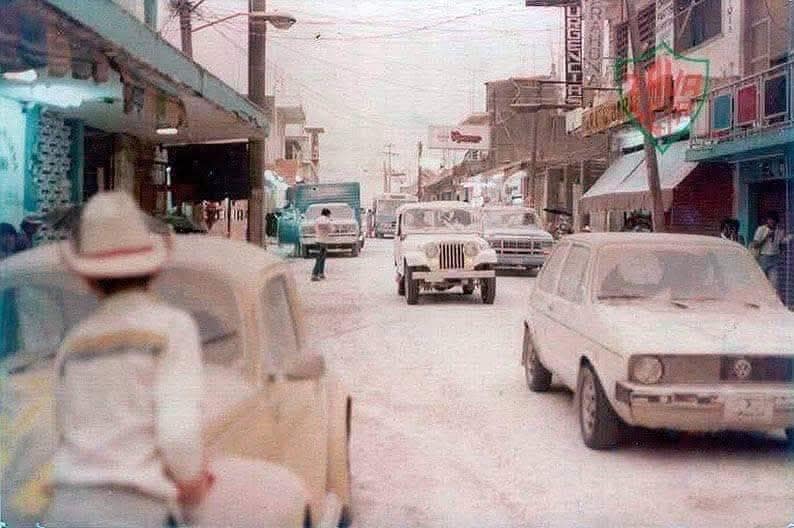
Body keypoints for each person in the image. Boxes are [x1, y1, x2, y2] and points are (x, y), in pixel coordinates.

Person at [47, 192, 212, 527]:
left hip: (65, 508)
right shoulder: (171, 328)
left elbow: (59, 429)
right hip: (137, 510)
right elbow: (178, 433)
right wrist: (193, 487)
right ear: (155, 268)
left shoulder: (75, 341)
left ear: (87, 278)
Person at [752, 211, 790, 293]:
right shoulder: (761, 229)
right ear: (767, 220)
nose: (771, 222)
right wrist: (766, 237)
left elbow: (781, 245)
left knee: (774, 284)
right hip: (763, 258)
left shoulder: (780, 231)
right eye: (770, 220)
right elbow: (755, 245)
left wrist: (784, 244)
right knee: (760, 282)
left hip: (774, 259)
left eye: (773, 220)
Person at [312, 207, 332, 281]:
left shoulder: (317, 220)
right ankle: (315, 274)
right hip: (324, 241)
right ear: (328, 214)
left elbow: (315, 229)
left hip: (318, 240)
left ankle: (321, 273)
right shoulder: (328, 221)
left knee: (319, 258)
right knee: (321, 259)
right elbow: (331, 230)